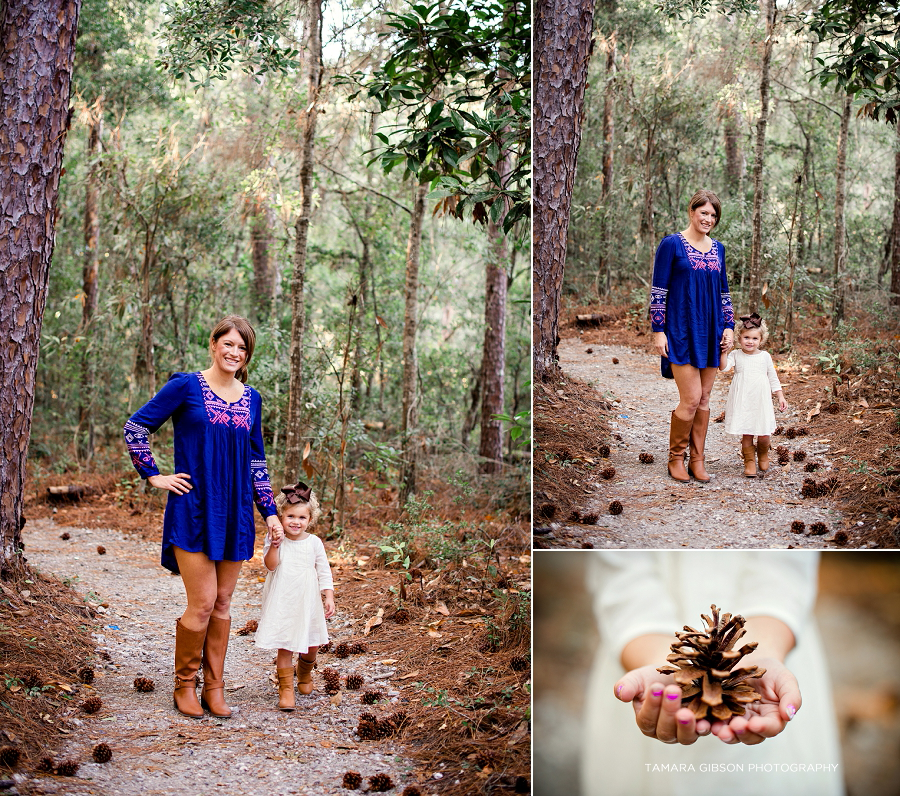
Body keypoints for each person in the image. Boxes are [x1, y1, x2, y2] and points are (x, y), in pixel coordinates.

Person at [580, 551, 844, 796]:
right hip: (640, 646)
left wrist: (766, 645)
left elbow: (784, 567)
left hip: (775, 634)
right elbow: (622, 577)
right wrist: (651, 652)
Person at [123, 315, 281, 718]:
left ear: (247, 355)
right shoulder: (185, 386)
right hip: (193, 508)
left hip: (235, 512)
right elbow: (136, 427)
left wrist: (271, 513)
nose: (234, 352)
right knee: (204, 601)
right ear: (213, 344)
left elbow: (256, 461)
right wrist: (154, 475)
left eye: (242, 348)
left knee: (225, 601)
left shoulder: (253, 399)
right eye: (227, 344)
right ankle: (184, 686)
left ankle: (215, 687)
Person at [649, 189, 735, 483]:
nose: (708, 219)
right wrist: (658, 331)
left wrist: (729, 326)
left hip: (711, 330)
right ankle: (676, 458)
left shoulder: (719, 249)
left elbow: (724, 292)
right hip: (680, 330)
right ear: (692, 211)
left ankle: (698, 460)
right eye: (704, 213)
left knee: (706, 398)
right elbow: (658, 291)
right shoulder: (671, 245)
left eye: (713, 215)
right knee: (691, 398)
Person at [254, 482, 335, 711]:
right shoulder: (274, 540)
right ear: (280, 516)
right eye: (290, 516)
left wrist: (328, 595)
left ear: (310, 520)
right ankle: (286, 689)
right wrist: (275, 546)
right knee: (285, 644)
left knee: (312, 644)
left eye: (301, 517)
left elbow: (323, 570)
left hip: (307, 600)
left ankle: (305, 672)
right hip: (283, 600)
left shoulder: (314, 543)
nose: (295, 522)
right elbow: (270, 566)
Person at [719, 313, 787, 477]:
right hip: (744, 399)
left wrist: (780, 396)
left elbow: (772, 377)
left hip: (761, 399)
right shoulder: (736, 355)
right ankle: (749, 461)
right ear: (739, 338)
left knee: (764, 433)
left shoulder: (765, 357)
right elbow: (723, 368)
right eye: (746, 337)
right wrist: (723, 352)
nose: (750, 341)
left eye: (755, 338)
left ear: (761, 339)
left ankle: (763, 454)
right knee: (747, 432)